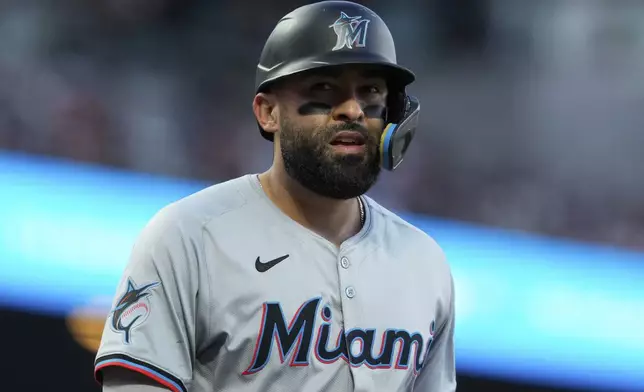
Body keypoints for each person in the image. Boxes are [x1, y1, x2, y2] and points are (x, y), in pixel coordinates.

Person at [94, 1, 456, 391]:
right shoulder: (188, 237)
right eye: (324, 90)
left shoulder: (424, 263)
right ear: (268, 112)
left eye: (370, 92)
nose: (352, 110)